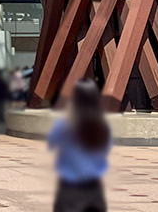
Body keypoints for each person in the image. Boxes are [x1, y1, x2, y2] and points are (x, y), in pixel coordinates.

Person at [47, 80, 112, 212]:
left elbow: (51, 144)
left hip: (69, 187)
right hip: (94, 187)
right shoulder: (103, 127)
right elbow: (106, 149)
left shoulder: (64, 124)